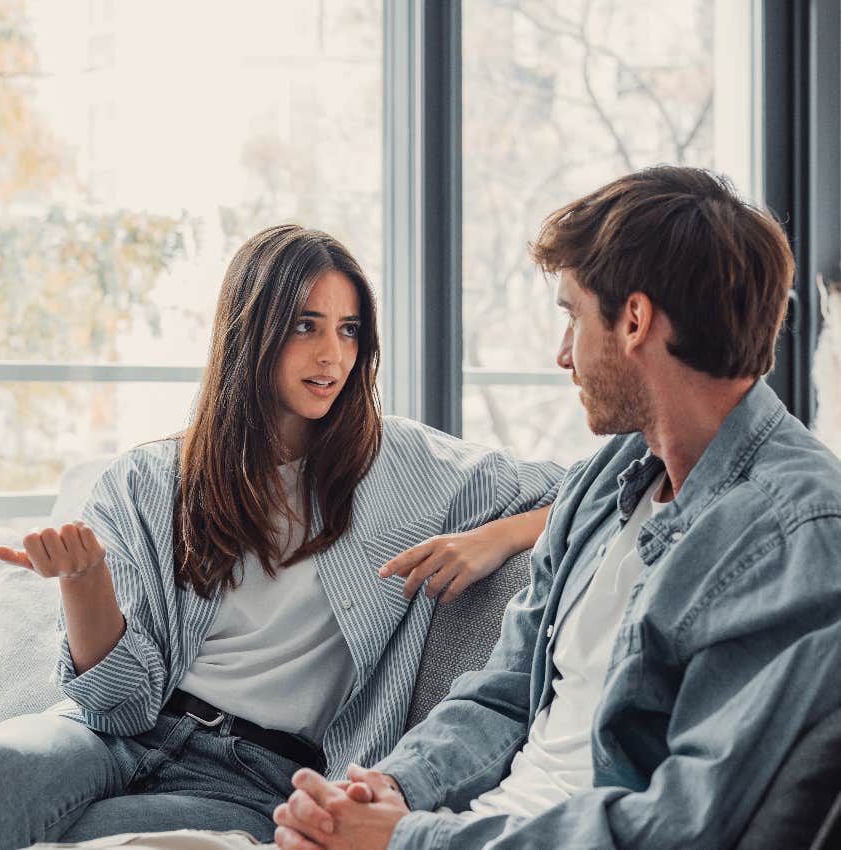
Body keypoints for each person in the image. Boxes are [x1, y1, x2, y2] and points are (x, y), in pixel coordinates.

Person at [272, 166, 841, 850]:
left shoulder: (796, 534)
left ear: (633, 320)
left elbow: (686, 827)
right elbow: (507, 688)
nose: (562, 354)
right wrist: (388, 792)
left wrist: (407, 840)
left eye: (572, 315)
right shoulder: (605, 481)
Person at [0, 225, 563, 850]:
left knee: (90, 841)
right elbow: (117, 708)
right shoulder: (147, 481)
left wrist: (500, 536)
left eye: (348, 330)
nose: (332, 355)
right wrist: (83, 582)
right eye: (305, 325)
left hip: (252, 779)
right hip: (109, 737)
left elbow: (596, 485)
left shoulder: (407, 466)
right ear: (251, 330)